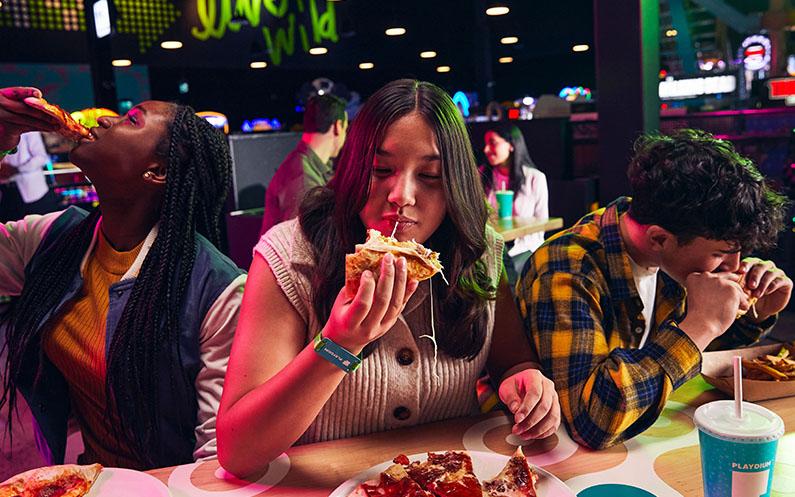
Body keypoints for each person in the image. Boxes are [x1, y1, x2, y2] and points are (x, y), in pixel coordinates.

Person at [217, 79, 560, 477]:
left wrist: (525, 383)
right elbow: (238, 451)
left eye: (430, 176)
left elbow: (512, 360)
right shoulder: (290, 257)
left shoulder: (477, 250)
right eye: (381, 170)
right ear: (352, 168)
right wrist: (338, 345)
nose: (402, 194)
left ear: (456, 186)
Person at [0, 86, 246, 470]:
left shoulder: (216, 288)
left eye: (131, 120)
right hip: (88, 477)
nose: (102, 118)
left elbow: (216, 453)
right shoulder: (52, 239)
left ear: (157, 172)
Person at [517, 129, 792, 450]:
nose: (734, 266)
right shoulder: (567, 267)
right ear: (659, 239)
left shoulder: (671, 253)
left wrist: (755, 314)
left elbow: (686, 359)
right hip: (546, 456)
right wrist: (700, 325)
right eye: (720, 253)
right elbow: (591, 421)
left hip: (643, 444)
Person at [259, 93, 348, 236]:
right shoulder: (303, 181)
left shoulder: (303, 166)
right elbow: (299, 247)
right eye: (346, 128)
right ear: (338, 126)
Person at [480, 123, 548, 276]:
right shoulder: (482, 175)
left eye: (493, 143)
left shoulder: (535, 178)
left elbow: (542, 223)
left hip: (525, 246)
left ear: (511, 145)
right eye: (485, 144)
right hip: (491, 246)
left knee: (505, 268)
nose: (486, 149)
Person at [0, 131, 58, 222]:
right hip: (7, 193)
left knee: (41, 230)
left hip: (33, 192)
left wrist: (17, 169)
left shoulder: (29, 131)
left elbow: (41, 157)